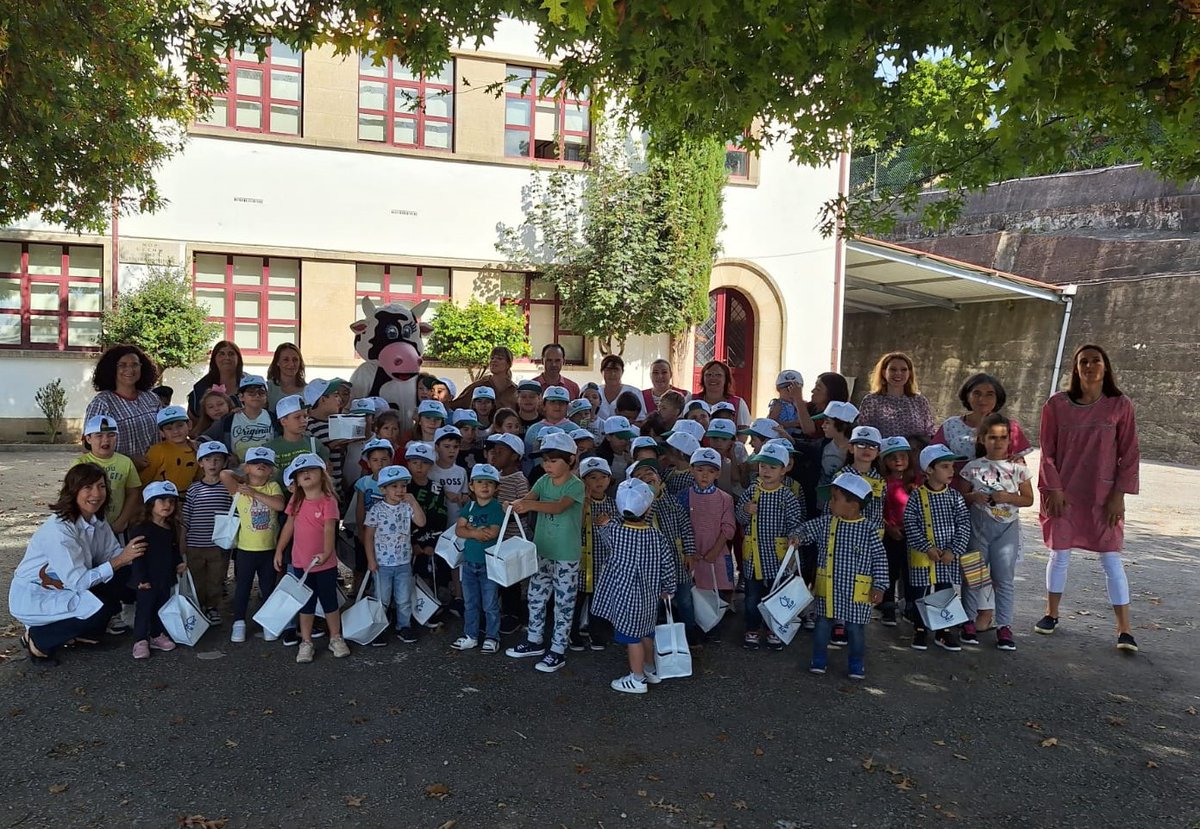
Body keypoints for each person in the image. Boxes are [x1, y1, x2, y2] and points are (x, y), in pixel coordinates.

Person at [1037, 344, 1141, 652]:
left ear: (1105, 367)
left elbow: (1129, 454)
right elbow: (1047, 451)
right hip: (1064, 492)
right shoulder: (1057, 405)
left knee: (1111, 557)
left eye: (1096, 361)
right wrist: (1054, 489)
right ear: (1076, 368)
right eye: (1084, 361)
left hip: (1102, 494)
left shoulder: (1119, 405)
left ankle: (1125, 630)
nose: (1090, 366)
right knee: (1059, 554)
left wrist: (1118, 495)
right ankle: (1051, 613)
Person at [10, 464, 147, 665]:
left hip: (69, 585)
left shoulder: (96, 520)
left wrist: (139, 555)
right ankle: (38, 639)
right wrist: (121, 560)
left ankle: (84, 634)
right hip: (38, 594)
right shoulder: (60, 531)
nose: (96, 494)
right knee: (101, 607)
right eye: (87, 487)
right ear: (73, 491)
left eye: (101, 486)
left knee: (126, 579)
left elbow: (111, 553)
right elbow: (79, 582)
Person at [507, 432, 585, 673]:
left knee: (564, 602)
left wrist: (528, 505)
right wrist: (515, 505)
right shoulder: (542, 481)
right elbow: (527, 498)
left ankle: (558, 649)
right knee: (536, 596)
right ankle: (534, 639)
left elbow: (559, 507)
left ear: (570, 460)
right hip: (542, 550)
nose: (547, 465)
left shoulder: (576, 485)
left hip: (566, 555)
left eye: (553, 460)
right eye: (545, 461)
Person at [591, 478, 678, 695]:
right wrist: (669, 588)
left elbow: (603, 530)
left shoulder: (615, 531)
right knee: (647, 633)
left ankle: (637, 678)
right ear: (648, 508)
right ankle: (650, 669)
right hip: (649, 597)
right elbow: (668, 565)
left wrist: (605, 522)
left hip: (625, 598)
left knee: (632, 639)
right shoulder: (657, 536)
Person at [802, 473, 888, 679]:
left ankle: (856, 662)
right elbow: (805, 530)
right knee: (822, 624)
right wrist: (796, 537)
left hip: (857, 591)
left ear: (854, 504)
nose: (830, 503)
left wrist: (880, 585)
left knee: (855, 629)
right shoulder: (826, 523)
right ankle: (819, 658)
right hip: (828, 587)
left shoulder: (869, 529)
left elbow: (880, 559)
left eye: (835, 498)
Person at [960, 413, 1034, 651]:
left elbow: (1028, 499)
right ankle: (968, 621)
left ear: (1010, 439)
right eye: (992, 437)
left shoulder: (1018, 468)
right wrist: (974, 496)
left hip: (1006, 530)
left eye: (1003, 437)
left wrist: (1008, 497)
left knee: (1003, 579)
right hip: (978, 527)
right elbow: (960, 496)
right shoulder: (972, 468)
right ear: (982, 439)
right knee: (974, 576)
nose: (998, 442)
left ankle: (1004, 625)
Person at [276, 453, 350, 663]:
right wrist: (279, 549)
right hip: (301, 563)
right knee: (306, 604)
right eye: (300, 472)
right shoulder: (296, 500)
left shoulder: (328, 501)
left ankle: (335, 637)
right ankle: (306, 642)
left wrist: (326, 553)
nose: (306, 473)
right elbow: (289, 525)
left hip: (325, 564)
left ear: (322, 474)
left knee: (329, 601)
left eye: (311, 469)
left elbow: (329, 530)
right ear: (296, 480)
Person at [735, 441, 805, 651]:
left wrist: (794, 539)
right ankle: (752, 628)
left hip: (778, 558)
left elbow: (795, 524)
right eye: (763, 465)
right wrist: (746, 510)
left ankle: (774, 628)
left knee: (776, 596)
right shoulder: (751, 492)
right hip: (754, 556)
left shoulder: (787, 496)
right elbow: (740, 518)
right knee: (752, 597)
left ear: (783, 470)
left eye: (772, 467)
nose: (766, 471)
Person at [904, 443, 970, 653]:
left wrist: (953, 550)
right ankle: (919, 628)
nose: (951, 471)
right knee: (919, 592)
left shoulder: (955, 497)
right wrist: (926, 547)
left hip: (946, 557)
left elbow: (964, 525)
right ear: (929, 470)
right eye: (944, 466)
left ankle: (943, 630)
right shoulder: (917, 496)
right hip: (923, 555)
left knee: (944, 591)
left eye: (952, 466)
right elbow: (910, 524)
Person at [219, 446, 285, 643]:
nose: (261, 466)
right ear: (246, 467)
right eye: (255, 463)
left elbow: (280, 505)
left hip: (269, 549)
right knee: (243, 588)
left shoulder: (272, 486)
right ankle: (239, 622)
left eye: (266, 464)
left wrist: (254, 493)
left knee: (268, 588)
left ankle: (268, 622)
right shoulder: (239, 489)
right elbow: (224, 474)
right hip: (245, 550)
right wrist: (242, 478)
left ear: (271, 470)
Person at [364, 464, 427, 647]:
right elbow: (368, 536)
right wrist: (371, 560)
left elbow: (421, 522)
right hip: (382, 563)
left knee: (404, 597)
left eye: (403, 486)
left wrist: (413, 502)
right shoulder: (376, 510)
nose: (400, 490)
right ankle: (379, 627)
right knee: (382, 598)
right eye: (394, 486)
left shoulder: (406, 507)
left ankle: (404, 625)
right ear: (383, 489)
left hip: (403, 561)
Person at [127, 481, 187, 659]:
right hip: (147, 579)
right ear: (150, 503)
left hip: (165, 577)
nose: (167, 505)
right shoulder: (141, 529)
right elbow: (137, 556)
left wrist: (179, 563)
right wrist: (140, 578)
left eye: (171, 501)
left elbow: (173, 549)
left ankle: (156, 635)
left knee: (161, 607)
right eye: (161, 500)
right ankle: (140, 640)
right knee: (144, 610)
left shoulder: (171, 527)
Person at [451, 464, 505, 652]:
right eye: (480, 482)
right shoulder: (470, 506)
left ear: (496, 487)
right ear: (472, 486)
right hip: (469, 563)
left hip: (489, 564)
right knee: (470, 603)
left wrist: (470, 529)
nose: (485, 486)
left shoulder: (497, 508)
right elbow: (459, 529)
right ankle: (471, 635)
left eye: (490, 483)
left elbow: (492, 533)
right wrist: (475, 532)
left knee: (490, 604)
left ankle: (492, 637)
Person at [182, 441, 234, 624]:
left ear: (224, 462)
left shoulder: (228, 488)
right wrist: (182, 541)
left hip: (219, 545)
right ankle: (198, 606)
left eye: (217, 459)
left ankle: (212, 607)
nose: (213, 463)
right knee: (197, 578)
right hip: (195, 544)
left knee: (216, 578)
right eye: (208, 459)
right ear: (200, 463)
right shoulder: (194, 489)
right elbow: (186, 518)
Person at [933, 373, 1033, 467]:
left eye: (989, 394)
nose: (982, 399)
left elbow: (1019, 467)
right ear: (967, 396)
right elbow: (932, 458)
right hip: (954, 479)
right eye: (977, 393)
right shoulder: (951, 425)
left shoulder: (1009, 427)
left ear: (997, 398)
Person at [485, 432, 531, 635]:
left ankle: (514, 615)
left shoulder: (519, 479)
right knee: (497, 575)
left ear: (514, 456)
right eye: (493, 451)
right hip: (496, 537)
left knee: (512, 578)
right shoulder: (493, 477)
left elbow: (525, 508)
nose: (495, 454)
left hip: (512, 538)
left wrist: (504, 514)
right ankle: (498, 611)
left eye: (501, 451)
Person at [84, 344, 162, 462]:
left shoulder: (152, 398)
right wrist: (129, 461)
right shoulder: (102, 403)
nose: (130, 369)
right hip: (120, 472)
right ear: (111, 369)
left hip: (156, 469)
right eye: (122, 365)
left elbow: (168, 430)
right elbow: (88, 447)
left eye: (135, 364)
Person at [572, 457, 618, 651]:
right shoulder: (578, 503)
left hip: (603, 562)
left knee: (599, 600)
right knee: (577, 599)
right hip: (582, 561)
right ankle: (572, 633)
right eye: (592, 477)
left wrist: (609, 523)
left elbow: (619, 530)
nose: (599, 481)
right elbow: (575, 525)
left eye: (603, 477)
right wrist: (584, 505)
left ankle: (596, 633)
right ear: (583, 481)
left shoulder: (614, 504)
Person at [684, 447, 737, 604]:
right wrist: (689, 551)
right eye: (700, 470)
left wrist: (714, 551)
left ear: (718, 473)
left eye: (711, 471)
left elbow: (728, 528)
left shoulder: (725, 498)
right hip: (691, 555)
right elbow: (680, 527)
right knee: (695, 597)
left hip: (717, 553)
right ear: (691, 470)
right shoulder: (683, 496)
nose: (705, 475)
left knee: (720, 596)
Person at [73, 415, 141, 535]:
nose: (105, 440)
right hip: (87, 527)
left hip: (116, 526)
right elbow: (72, 495)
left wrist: (121, 522)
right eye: (99, 435)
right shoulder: (80, 463)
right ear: (88, 439)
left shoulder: (126, 462)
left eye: (111, 435)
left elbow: (133, 493)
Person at [879, 436, 918, 627]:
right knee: (890, 569)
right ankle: (887, 606)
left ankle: (909, 605)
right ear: (884, 461)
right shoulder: (882, 483)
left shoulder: (916, 482)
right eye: (892, 457)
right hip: (890, 533)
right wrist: (888, 527)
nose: (898, 460)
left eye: (902, 456)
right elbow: (878, 510)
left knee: (910, 571)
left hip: (913, 534)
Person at [857, 351, 935, 442]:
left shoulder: (920, 401)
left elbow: (929, 433)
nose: (898, 373)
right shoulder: (871, 401)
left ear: (909, 373)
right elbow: (863, 434)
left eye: (904, 370)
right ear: (884, 372)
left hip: (915, 451)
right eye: (893, 369)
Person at [204, 374, 276, 462]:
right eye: (251, 392)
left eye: (261, 392)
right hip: (237, 467)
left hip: (266, 465)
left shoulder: (273, 417)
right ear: (241, 397)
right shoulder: (229, 419)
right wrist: (227, 455)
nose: (257, 395)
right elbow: (205, 438)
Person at [265, 395, 330, 491]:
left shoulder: (313, 443)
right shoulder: (269, 448)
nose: (303, 421)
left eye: (305, 416)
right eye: (297, 417)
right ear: (283, 421)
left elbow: (327, 469)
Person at [303, 378, 351, 499]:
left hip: (338, 490)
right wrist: (333, 445)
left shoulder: (338, 422)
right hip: (321, 494)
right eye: (335, 395)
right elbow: (312, 457)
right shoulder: (309, 427)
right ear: (323, 399)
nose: (340, 399)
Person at [139, 406, 199, 492]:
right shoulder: (157, 451)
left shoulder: (196, 449)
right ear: (162, 432)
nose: (175, 431)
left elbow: (199, 479)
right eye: (169, 428)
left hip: (188, 498)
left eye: (180, 426)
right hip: (160, 497)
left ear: (189, 425)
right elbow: (144, 480)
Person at [188, 340, 246, 418]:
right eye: (221, 354)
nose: (227, 357)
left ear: (238, 358)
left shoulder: (250, 383)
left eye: (231, 354)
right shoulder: (201, 387)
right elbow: (193, 418)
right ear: (214, 359)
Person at [451, 347, 518, 411]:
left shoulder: (515, 390)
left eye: (499, 358)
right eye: (492, 358)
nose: (494, 361)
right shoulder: (478, 386)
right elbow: (455, 405)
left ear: (508, 364)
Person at [694, 360, 750, 429]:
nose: (713, 378)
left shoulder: (738, 403)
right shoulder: (692, 400)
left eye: (718, 375)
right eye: (709, 375)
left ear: (726, 379)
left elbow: (743, 432)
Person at [596, 354, 646, 421]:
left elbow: (641, 420)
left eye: (616, 370)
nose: (612, 374)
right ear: (602, 372)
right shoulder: (595, 392)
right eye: (608, 370)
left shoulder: (635, 392)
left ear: (622, 372)